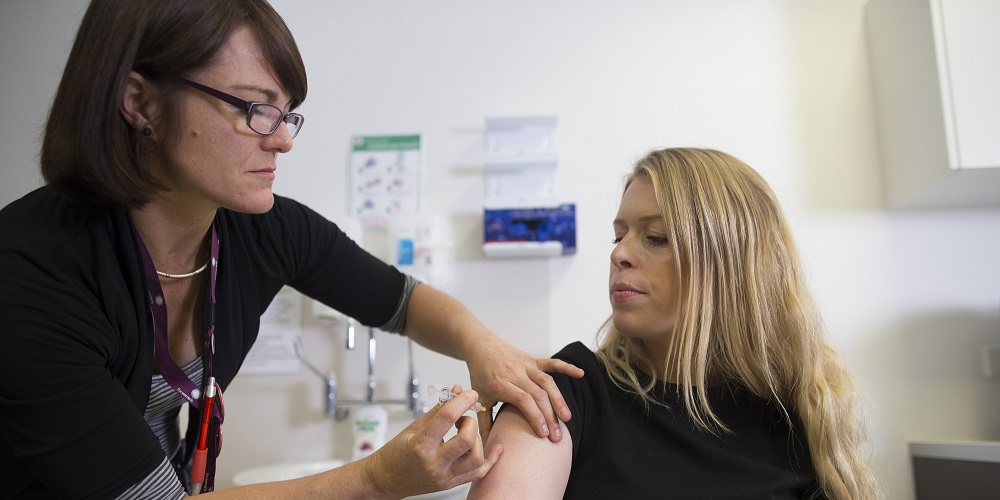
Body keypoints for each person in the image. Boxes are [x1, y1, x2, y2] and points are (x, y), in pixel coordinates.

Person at [0, 0, 584, 498]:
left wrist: (480, 346)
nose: (281, 139)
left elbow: (400, 300)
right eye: (253, 109)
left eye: (285, 114)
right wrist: (379, 479)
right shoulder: (28, 275)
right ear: (140, 102)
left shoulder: (258, 229)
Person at [468, 148, 878, 500]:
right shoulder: (568, 391)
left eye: (656, 237)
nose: (619, 255)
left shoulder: (798, 412)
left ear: (731, 262)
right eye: (619, 236)